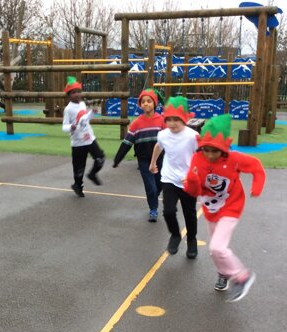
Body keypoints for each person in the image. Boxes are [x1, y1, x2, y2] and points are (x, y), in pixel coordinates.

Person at [183, 114, 266, 302]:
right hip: (211, 208)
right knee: (215, 250)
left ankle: (242, 277)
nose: (210, 155)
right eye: (206, 150)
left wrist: (257, 187)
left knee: (217, 247)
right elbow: (193, 191)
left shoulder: (234, 159)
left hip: (232, 205)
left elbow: (256, 166)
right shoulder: (197, 159)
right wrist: (192, 180)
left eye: (215, 151)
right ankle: (223, 272)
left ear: (224, 148)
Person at [149, 96, 199, 258]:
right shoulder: (163, 135)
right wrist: (153, 163)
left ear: (184, 119)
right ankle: (175, 235)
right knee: (168, 211)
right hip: (169, 178)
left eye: (176, 119)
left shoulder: (192, 136)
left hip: (188, 181)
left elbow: (201, 157)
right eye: (169, 119)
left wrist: (194, 174)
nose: (172, 123)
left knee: (189, 214)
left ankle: (191, 241)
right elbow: (158, 147)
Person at [112, 88, 165, 222]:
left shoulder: (162, 121)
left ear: (155, 103)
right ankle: (153, 209)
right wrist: (117, 159)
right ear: (140, 104)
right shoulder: (136, 123)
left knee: (159, 185)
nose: (146, 103)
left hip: (160, 160)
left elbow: (170, 140)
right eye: (143, 101)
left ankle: (155, 195)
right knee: (150, 187)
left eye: (149, 101)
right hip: (143, 160)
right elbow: (127, 143)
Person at [61, 77, 105, 198]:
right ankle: (78, 185)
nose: (77, 94)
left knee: (100, 158)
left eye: (78, 92)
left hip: (89, 138)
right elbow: (64, 127)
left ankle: (92, 174)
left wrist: (92, 112)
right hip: (78, 143)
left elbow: (85, 119)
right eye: (73, 92)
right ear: (69, 95)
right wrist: (71, 127)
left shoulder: (82, 104)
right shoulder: (68, 109)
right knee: (79, 169)